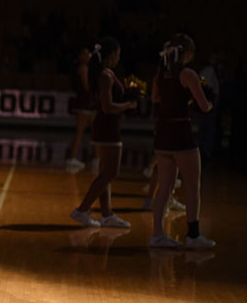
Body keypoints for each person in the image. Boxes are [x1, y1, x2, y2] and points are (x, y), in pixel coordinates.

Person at [149, 35, 215, 249]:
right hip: (182, 134)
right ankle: (193, 235)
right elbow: (204, 106)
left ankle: (157, 234)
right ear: (186, 53)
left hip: (163, 134)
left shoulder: (161, 73)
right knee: (193, 186)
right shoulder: (188, 74)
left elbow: (155, 99)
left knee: (164, 188)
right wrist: (211, 101)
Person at [70, 37, 137, 228]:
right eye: (118, 53)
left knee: (105, 171)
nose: (119, 57)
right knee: (110, 173)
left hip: (105, 126)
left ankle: (107, 214)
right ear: (110, 55)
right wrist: (128, 104)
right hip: (107, 127)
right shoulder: (105, 76)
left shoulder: (104, 74)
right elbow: (107, 107)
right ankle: (82, 210)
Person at [66, 47, 94, 172]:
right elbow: (87, 87)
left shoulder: (85, 68)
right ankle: (71, 158)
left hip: (86, 103)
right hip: (84, 103)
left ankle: (97, 158)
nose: (88, 56)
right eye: (85, 54)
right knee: (80, 132)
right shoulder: (83, 68)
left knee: (94, 131)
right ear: (80, 56)